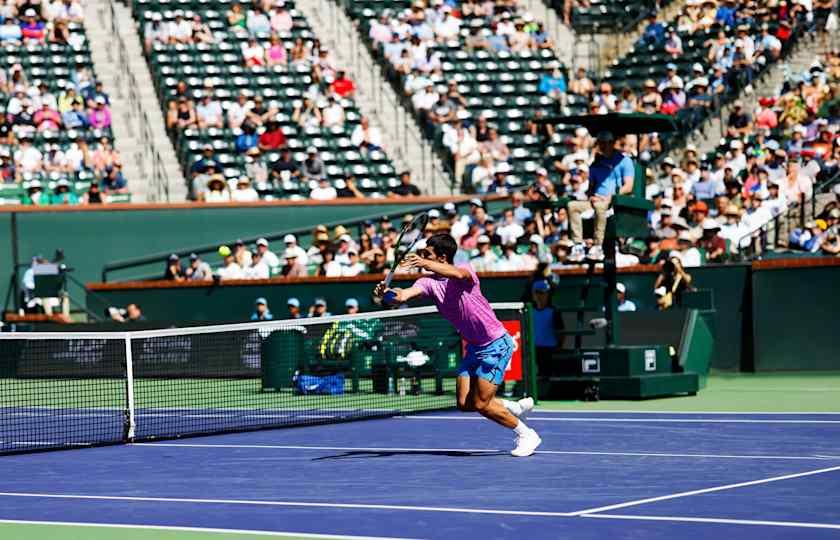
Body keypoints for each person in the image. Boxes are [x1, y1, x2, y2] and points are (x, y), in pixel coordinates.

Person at [374, 233, 540, 457]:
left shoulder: (464, 270)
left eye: (427, 254)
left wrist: (423, 263)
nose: (422, 257)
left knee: (481, 405)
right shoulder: (428, 283)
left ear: (442, 258)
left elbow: (457, 273)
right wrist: (386, 294)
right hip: (473, 348)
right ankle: (513, 407)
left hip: (495, 344)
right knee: (464, 402)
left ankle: (527, 434)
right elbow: (402, 296)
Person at [568, 130, 635, 262]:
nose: (603, 146)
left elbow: (628, 186)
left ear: (612, 143)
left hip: (613, 201)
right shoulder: (596, 165)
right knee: (572, 206)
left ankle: (598, 245)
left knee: (600, 207)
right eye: (600, 143)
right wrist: (592, 196)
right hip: (596, 200)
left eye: (606, 143)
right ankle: (578, 245)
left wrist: (610, 197)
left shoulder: (625, 161)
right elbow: (591, 189)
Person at [531, 280, 563, 377]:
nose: (539, 296)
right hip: (533, 349)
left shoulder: (554, 311)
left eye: (542, 293)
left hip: (549, 350)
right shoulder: (529, 311)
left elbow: (560, 332)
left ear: (547, 294)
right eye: (536, 292)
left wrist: (559, 347)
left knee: (547, 375)